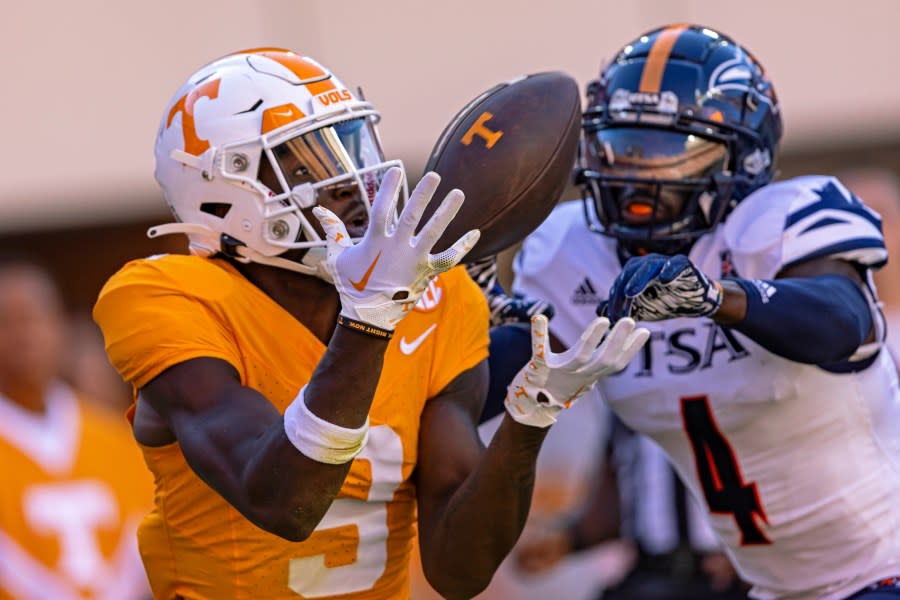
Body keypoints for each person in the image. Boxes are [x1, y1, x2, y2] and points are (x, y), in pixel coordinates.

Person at [92, 48, 649, 599]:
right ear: (222, 195)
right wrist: (368, 321)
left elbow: (460, 570)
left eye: (348, 147)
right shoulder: (168, 296)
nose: (349, 180)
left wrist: (528, 420)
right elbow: (284, 503)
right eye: (306, 163)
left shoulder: (439, 297)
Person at [506, 24, 900, 600]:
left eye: (670, 152)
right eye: (622, 143)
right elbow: (489, 383)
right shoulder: (570, 251)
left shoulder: (779, 220)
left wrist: (721, 299)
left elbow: (843, 322)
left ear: (744, 159)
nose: (636, 175)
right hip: (770, 589)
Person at [0, 256, 153, 600]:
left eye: (32, 319)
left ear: (61, 326)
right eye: (5, 323)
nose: (22, 336)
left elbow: (145, 542)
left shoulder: (114, 437)